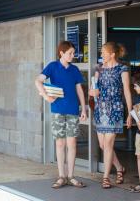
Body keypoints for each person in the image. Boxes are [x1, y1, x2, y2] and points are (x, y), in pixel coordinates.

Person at [34, 40, 87, 189]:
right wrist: (46, 97)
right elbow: (38, 81)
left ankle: (71, 176)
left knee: (72, 144)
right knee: (60, 143)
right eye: (70, 53)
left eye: (73, 53)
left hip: (72, 110)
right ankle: (61, 176)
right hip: (57, 110)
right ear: (61, 53)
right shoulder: (52, 66)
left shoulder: (75, 69)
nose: (73, 55)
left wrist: (83, 109)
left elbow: (79, 90)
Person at [88, 42, 132, 189]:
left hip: (115, 109)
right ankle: (119, 168)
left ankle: (106, 177)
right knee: (102, 145)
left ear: (112, 54)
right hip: (100, 110)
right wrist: (92, 92)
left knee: (108, 145)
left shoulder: (122, 69)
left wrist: (130, 113)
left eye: (103, 52)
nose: (101, 55)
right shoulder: (99, 69)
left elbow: (127, 91)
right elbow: (93, 89)